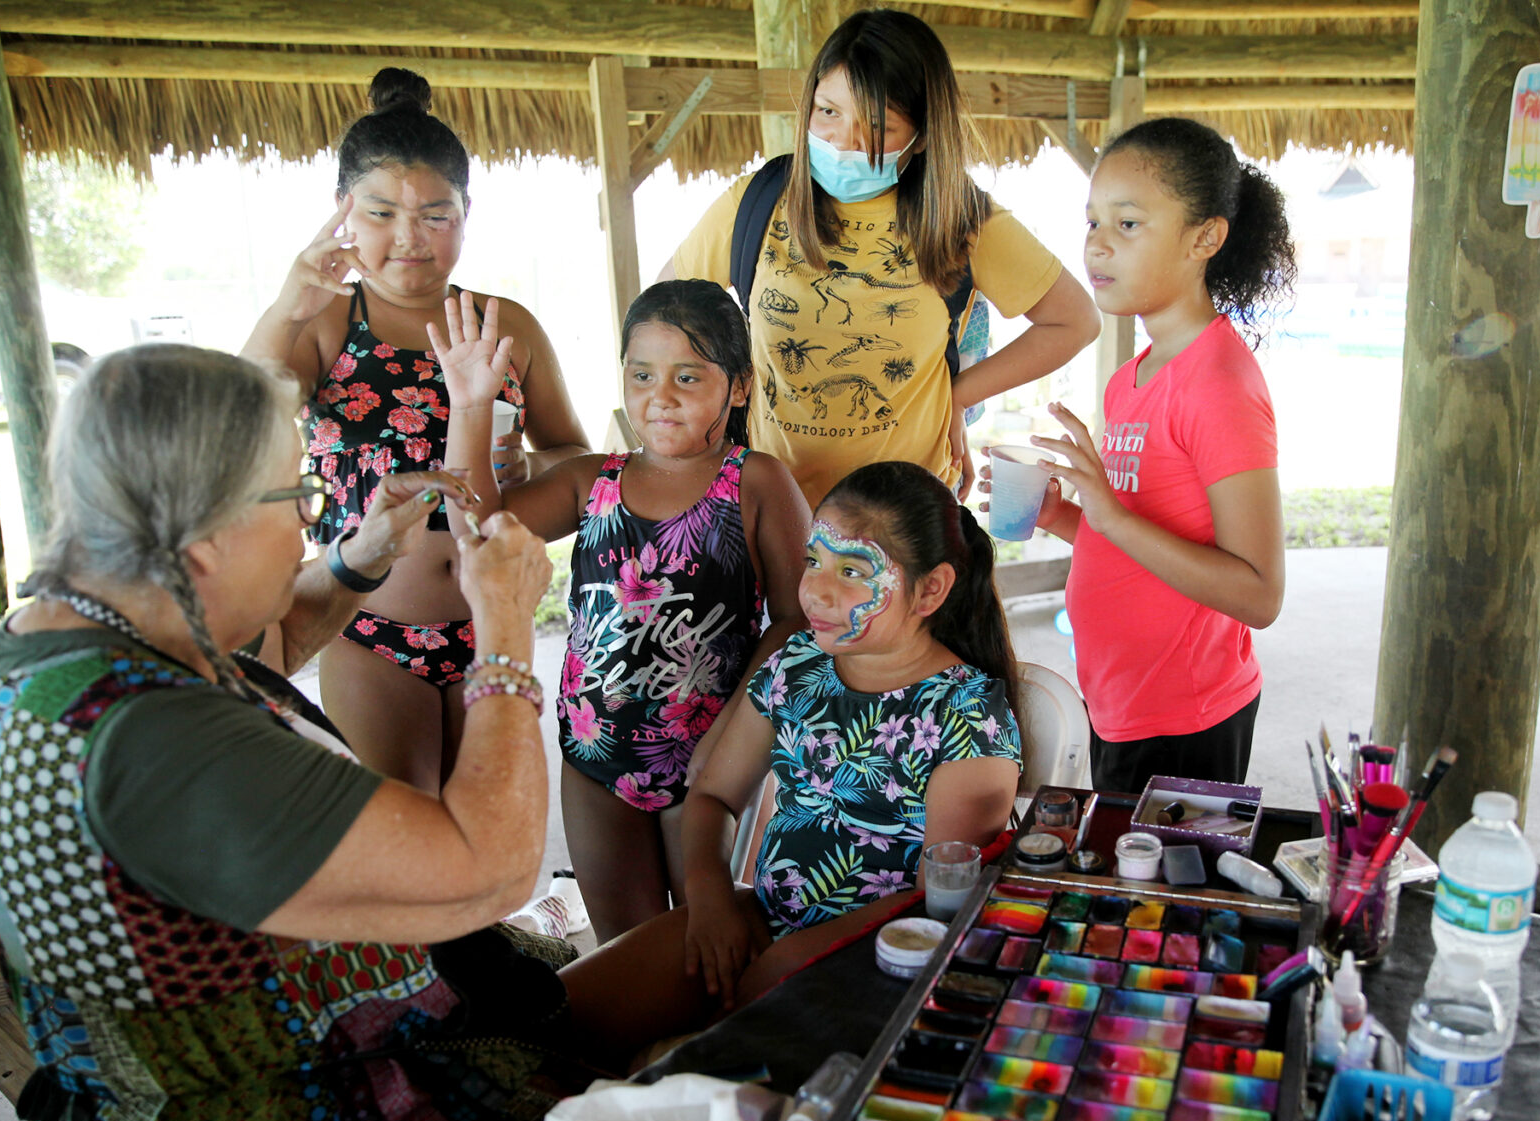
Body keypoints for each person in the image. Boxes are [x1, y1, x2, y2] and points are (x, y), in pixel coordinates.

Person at [0, 343, 606, 1121]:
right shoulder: (154, 743)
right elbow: (495, 869)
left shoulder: (70, 633)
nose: (309, 518)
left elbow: (254, 642)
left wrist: (363, 553)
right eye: (295, 497)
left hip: (256, 1078)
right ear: (205, 540)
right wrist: (505, 630)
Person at [561, 462, 1022, 1054]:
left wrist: (796, 958)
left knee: (687, 1067)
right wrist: (709, 897)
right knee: (558, 1020)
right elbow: (712, 796)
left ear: (930, 589)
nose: (817, 591)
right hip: (761, 921)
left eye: (853, 571)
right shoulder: (798, 663)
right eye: (813, 561)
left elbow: (935, 904)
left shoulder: (966, 719)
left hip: (878, 959)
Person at [242, 67, 587, 791]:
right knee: (404, 842)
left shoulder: (505, 326)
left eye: (437, 215)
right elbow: (235, 424)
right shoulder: (326, 320)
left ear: (467, 212)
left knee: (483, 843)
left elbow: (570, 452)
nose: (411, 239)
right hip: (366, 632)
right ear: (341, 210)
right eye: (380, 214)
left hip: (489, 626)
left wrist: (530, 474)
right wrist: (285, 309)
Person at [459, 280, 811, 941]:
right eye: (642, 373)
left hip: (710, 762)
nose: (662, 395)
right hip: (594, 760)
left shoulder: (757, 481)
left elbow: (798, 620)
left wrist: (734, 734)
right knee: (630, 950)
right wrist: (473, 409)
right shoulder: (591, 481)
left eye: (688, 375)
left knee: (714, 946)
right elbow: (479, 532)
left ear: (738, 386)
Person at [660, 8, 1098, 507]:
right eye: (827, 112)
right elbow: (663, 314)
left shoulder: (958, 218)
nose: (843, 143)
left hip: (905, 519)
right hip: (777, 512)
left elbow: (1075, 321)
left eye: (877, 127)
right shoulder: (756, 201)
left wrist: (956, 396)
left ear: (924, 133)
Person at [995, 117, 1291, 789]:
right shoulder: (1135, 376)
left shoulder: (1219, 383)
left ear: (1204, 238)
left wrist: (1113, 516)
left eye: (1128, 225)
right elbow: (1128, 537)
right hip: (1120, 705)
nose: (1098, 245)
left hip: (1185, 719)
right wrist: (1062, 516)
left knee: (1164, 896)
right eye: (1092, 222)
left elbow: (1259, 592)